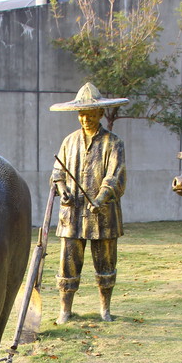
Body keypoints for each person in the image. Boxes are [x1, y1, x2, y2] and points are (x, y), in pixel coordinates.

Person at [49, 83, 128, 324]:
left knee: (106, 262)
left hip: (103, 216)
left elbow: (115, 175)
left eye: (91, 115)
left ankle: (105, 308)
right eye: (82, 115)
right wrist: (63, 191)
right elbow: (57, 173)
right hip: (72, 215)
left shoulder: (113, 143)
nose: (85, 119)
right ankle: (66, 310)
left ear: (100, 114)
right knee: (68, 263)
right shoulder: (69, 142)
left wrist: (101, 197)